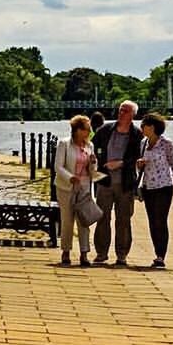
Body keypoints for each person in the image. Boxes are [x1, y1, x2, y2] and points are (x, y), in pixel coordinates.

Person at [91, 100, 143, 266]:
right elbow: (92, 146)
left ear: (133, 115)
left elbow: (138, 156)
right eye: (120, 110)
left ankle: (122, 255)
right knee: (102, 217)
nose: (121, 113)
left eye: (126, 111)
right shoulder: (105, 130)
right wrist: (95, 160)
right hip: (104, 181)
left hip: (125, 183)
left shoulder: (137, 135)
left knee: (123, 219)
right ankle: (101, 253)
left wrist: (120, 163)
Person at [136, 112, 173, 269]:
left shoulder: (166, 144)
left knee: (160, 221)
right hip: (148, 187)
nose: (141, 128)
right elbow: (140, 168)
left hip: (163, 187)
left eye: (144, 125)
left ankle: (160, 256)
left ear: (152, 127)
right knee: (152, 222)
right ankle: (157, 252)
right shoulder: (143, 143)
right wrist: (139, 165)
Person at [54, 114, 102, 267]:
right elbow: (58, 167)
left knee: (84, 221)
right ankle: (66, 251)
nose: (89, 132)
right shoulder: (64, 144)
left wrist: (94, 163)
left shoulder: (90, 146)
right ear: (77, 130)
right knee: (67, 221)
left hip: (84, 188)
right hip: (66, 188)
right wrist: (70, 177)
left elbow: (92, 169)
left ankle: (84, 253)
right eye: (87, 129)